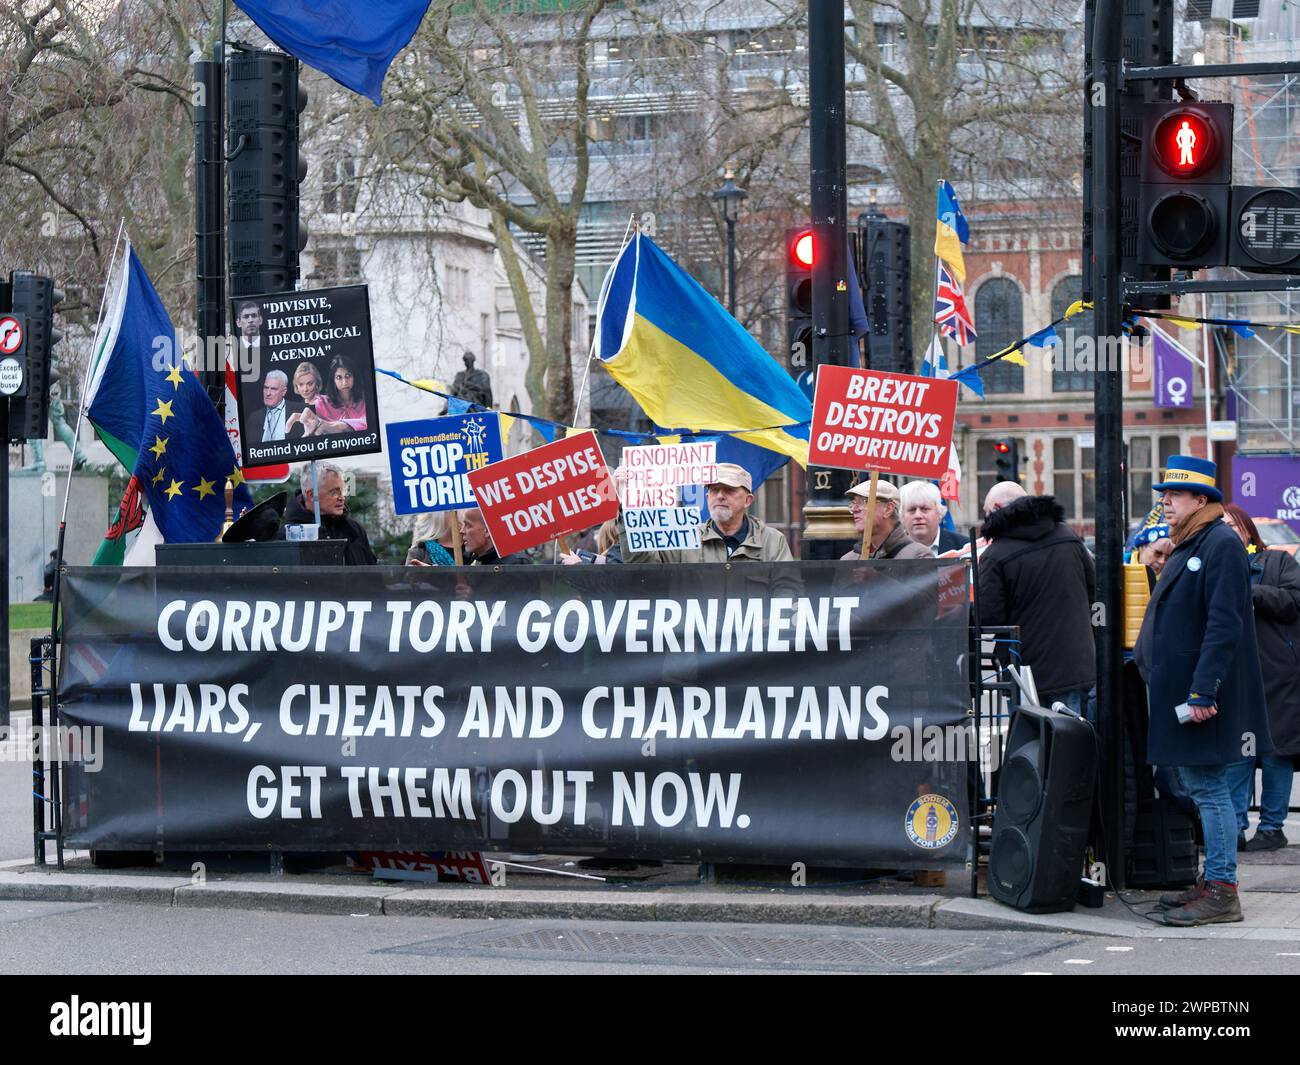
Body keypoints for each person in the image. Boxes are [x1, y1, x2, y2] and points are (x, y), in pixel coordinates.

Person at [1133, 456, 1273, 926]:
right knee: (1197, 785)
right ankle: (1211, 878)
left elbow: (1224, 624)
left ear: (1200, 500)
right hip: (1183, 690)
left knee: (1211, 790)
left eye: (1174, 495)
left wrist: (1202, 691)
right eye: (1165, 494)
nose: (1165, 502)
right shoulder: (1194, 541)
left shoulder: (1220, 545)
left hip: (1201, 695)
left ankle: (1222, 889)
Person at [978, 481, 1096, 714]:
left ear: (998, 507)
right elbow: (1094, 593)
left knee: (1030, 744)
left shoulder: (995, 554)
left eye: (986, 512)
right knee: (1074, 742)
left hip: (1025, 672)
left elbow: (990, 618)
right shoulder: (1068, 536)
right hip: (1076, 666)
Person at [1221, 503, 1299, 852]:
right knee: (1237, 755)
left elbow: (1294, 602)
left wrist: (1253, 594)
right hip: (1236, 676)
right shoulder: (1218, 565)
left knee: (1275, 754)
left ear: (1247, 529)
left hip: (1277, 675)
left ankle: (1271, 827)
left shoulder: (1278, 562)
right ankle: (1234, 825)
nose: (1226, 528)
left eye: (1230, 523)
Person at [622, 463, 794, 564]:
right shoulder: (684, 536)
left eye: (729, 490)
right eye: (714, 490)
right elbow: (642, 564)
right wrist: (626, 508)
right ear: (707, 496)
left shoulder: (773, 540)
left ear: (748, 500)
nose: (720, 496)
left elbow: (788, 590)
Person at [274, 464, 376, 565]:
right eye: (334, 492)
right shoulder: (288, 535)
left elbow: (373, 573)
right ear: (311, 495)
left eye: (343, 491)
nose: (342, 498)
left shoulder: (354, 530)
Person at [840, 479, 931, 561]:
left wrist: (876, 577)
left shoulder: (919, 556)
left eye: (865, 502)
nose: (854, 509)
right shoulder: (848, 560)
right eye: (854, 503)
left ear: (888, 509)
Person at [899, 480, 969, 556]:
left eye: (924, 509)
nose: (918, 515)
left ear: (939, 513)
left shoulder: (964, 548)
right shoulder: (891, 553)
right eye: (912, 510)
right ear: (902, 516)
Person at [313, 355, 368, 433]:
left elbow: (372, 423)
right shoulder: (322, 403)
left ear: (354, 377)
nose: (344, 382)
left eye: (348, 376)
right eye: (339, 377)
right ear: (333, 380)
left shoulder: (365, 400)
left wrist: (341, 426)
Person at [460, 508, 530, 565]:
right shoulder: (471, 560)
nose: (462, 531)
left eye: (468, 525)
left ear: (487, 530)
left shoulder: (515, 564)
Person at [251, 370, 301, 443]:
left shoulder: (299, 410)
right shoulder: (254, 418)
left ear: (284, 391)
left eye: (273, 389)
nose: (268, 393)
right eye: (266, 388)